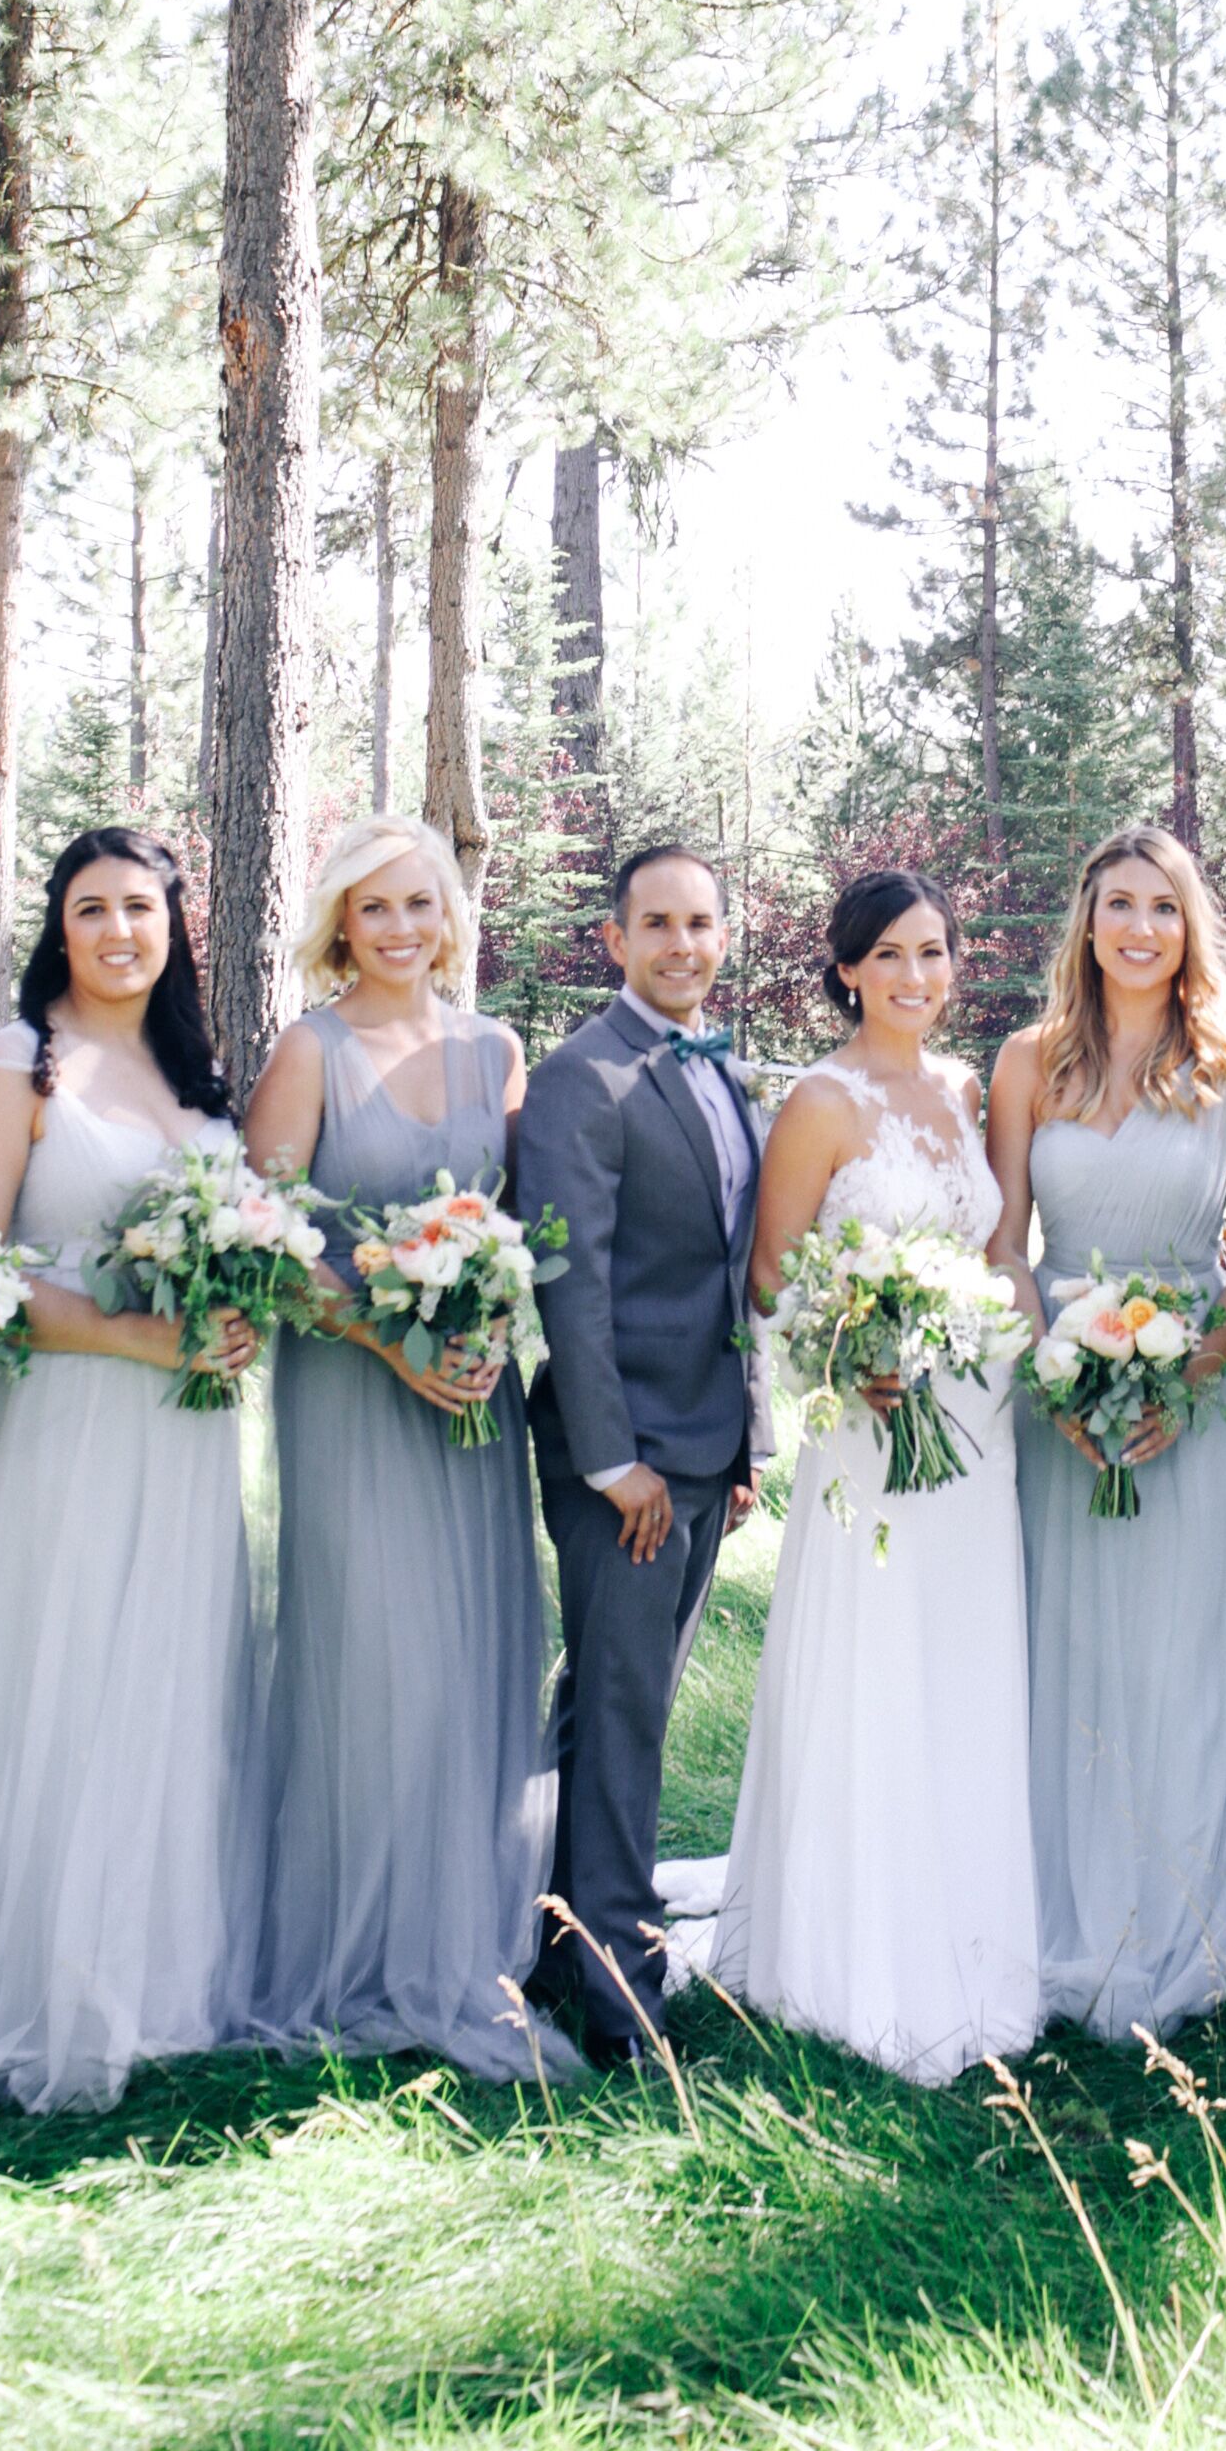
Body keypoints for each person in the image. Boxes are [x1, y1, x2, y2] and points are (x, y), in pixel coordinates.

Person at [0, 829, 261, 2112]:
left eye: (143, 908)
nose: (119, 931)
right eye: (92, 908)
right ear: (59, 926)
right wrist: (129, 1332)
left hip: (183, 1433)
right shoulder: (21, 1063)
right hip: (64, 1421)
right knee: (58, 1672)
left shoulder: (192, 1069)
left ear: (175, 925)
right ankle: (37, 1984)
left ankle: (159, 1984)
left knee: (168, 1677)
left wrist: (238, 1309)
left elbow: (237, 1241)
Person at [241, 815, 567, 2084]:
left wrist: (481, 1320)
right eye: (373, 910)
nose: (399, 931)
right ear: (339, 925)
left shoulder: (496, 1049)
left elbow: (530, 1224)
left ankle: (468, 1932)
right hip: (352, 1395)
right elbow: (266, 1237)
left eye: (419, 906)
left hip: (471, 1403)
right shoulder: (310, 1050)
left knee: (476, 1651)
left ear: (451, 916)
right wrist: (391, 1343)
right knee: (375, 1659)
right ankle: (364, 1945)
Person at [712, 870, 1044, 2080]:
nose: (918, 976)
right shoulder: (823, 1100)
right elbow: (769, 1276)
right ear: (847, 969)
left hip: (977, 1423)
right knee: (880, 1662)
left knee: (962, 1666)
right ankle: (851, 1954)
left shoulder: (964, 1092)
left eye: (936, 952)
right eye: (891, 956)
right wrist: (852, 1356)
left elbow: (998, 1247)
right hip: (874, 1420)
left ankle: (967, 1930)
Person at [987, 826, 1226, 2041]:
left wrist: (1184, 1381)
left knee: (1178, 1653)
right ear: (1088, 921)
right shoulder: (1026, 1061)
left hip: (1187, 1400)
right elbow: (1006, 1242)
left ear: (1189, 929)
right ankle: (1050, 1893)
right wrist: (1051, 1373)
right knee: (1058, 1641)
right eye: (1119, 904)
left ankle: (1178, 1904)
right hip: (1052, 1392)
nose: (1140, 929)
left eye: (1164, 909)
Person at [517, 842, 767, 2065]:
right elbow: (571, 1283)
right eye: (656, 924)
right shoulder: (583, 1078)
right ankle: (618, 1991)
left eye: (700, 922)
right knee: (620, 1714)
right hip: (625, 1464)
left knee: (630, 1705)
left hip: (705, 1451)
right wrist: (616, 1463)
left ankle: (563, 1938)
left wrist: (746, 1440)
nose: (681, 944)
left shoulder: (722, 1073)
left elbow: (728, 1271)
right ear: (614, 941)